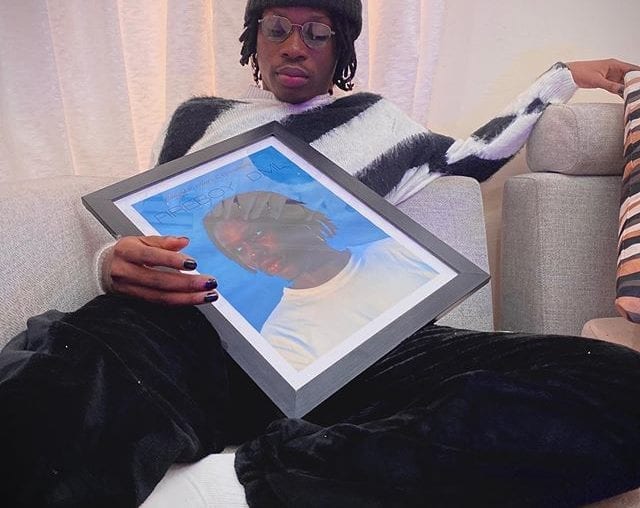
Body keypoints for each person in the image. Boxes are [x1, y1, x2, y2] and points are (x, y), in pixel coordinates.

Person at [1, 0, 640, 506]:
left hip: (366, 351)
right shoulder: (197, 119)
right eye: (277, 27)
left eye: (317, 32)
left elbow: (472, 156)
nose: (294, 45)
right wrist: (112, 261)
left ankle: (240, 485)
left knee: (619, 383)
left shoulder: (381, 122)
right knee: (69, 374)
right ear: (254, 39)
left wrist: (560, 78)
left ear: (342, 49)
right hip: (198, 333)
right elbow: (152, 218)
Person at [203, 190, 437, 370]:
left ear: (289, 219)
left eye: (256, 234)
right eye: (239, 250)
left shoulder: (401, 252)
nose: (253, 254)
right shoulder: (282, 337)